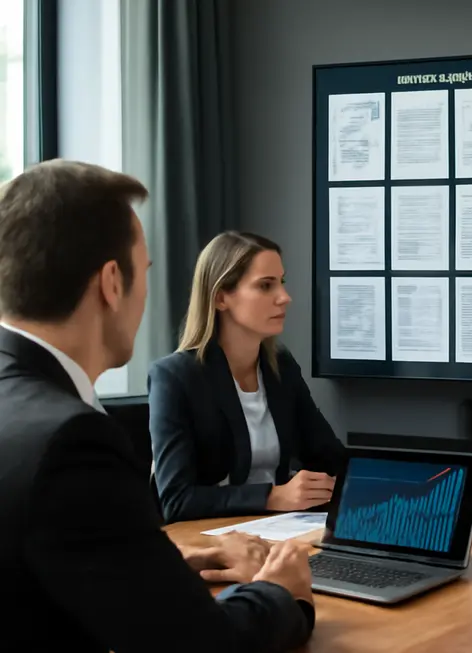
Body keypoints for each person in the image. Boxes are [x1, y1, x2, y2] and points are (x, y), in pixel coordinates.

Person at [0, 160, 316, 651]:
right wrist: (280, 593)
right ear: (112, 283)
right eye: (143, 272)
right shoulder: (73, 441)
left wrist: (164, 557)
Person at [148, 231, 346, 523]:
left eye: (282, 283)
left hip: (280, 529)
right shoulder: (174, 377)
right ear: (220, 298)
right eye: (265, 286)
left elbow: (329, 456)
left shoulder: (281, 366)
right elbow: (176, 500)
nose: (284, 298)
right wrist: (273, 496)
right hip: (210, 539)